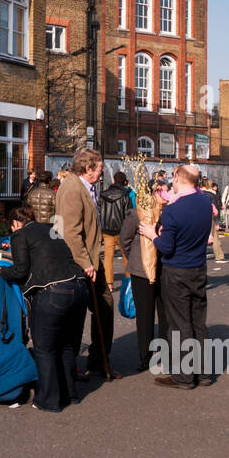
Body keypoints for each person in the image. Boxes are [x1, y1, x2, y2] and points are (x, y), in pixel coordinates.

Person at [0, 206, 89, 411]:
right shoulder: (51, 229)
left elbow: (20, 270)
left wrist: (0, 269)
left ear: (15, 224)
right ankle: (70, 393)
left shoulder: (20, 235)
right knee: (66, 345)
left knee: (44, 348)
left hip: (53, 292)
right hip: (80, 286)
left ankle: (49, 400)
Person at [140, 164, 213, 388]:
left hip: (177, 270)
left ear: (178, 178)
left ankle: (183, 376)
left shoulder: (173, 210)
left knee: (180, 324)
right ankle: (203, 373)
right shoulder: (205, 202)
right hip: (198, 268)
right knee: (198, 321)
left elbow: (167, 246)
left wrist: (152, 235)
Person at [55, 147, 118, 379]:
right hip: (79, 261)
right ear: (88, 168)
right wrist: (85, 262)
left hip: (91, 259)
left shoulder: (85, 186)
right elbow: (69, 231)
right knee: (77, 313)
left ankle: (99, 360)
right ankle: (72, 366)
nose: (103, 172)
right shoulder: (72, 188)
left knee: (104, 306)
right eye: (100, 168)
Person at [118, 189, 167, 372]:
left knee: (165, 313)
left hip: (163, 268)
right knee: (145, 315)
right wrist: (137, 258)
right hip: (141, 271)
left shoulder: (168, 213)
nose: (166, 195)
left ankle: (164, 351)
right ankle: (145, 356)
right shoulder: (135, 213)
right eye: (162, 192)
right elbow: (125, 239)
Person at [98, 171, 132, 292]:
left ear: (113, 180)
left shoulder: (103, 194)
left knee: (108, 257)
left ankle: (109, 283)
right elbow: (129, 214)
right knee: (126, 256)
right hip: (122, 229)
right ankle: (128, 281)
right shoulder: (125, 195)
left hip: (107, 229)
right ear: (124, 181)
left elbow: (100, 210)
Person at [200, 177, 225, 262]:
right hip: (210, 217)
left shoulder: (197, 193)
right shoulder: (212, 194)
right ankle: (219, 255)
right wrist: (217, 223)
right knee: (214, 237)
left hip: (198, 216)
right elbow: (215, 209)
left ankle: (199, 255)